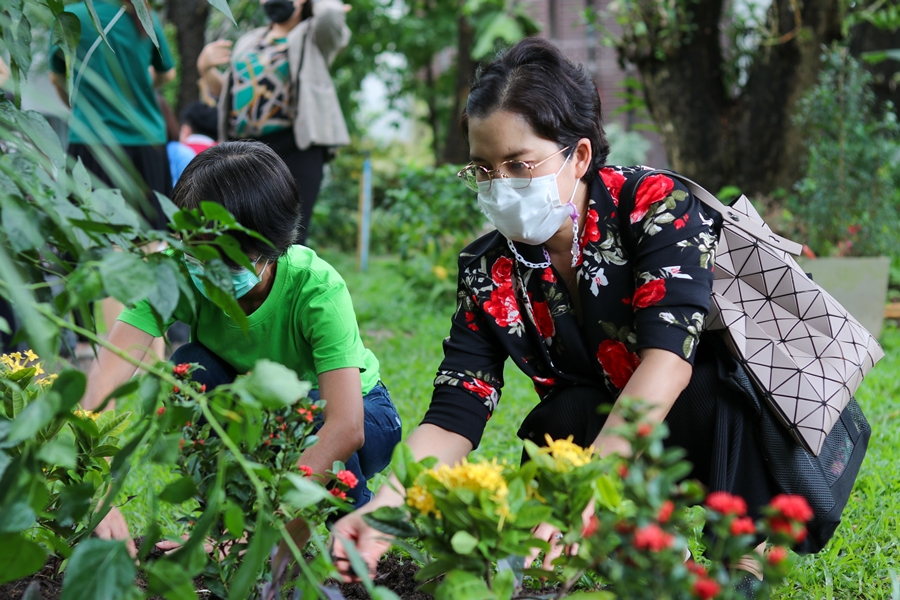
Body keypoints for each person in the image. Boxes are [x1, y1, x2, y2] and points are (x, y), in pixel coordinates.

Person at [332, 37, 780, 588]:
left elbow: (667, 363)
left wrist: (593, 483)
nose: (501, 186)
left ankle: (745, 550)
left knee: (720, 392)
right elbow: (454, 412)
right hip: (605, 417)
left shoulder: (652, 205)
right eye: (483, 169)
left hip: (694, 406)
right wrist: (386, 508)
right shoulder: (490, 269)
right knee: (558, 421)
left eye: (519, 164)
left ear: (580, 155)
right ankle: (655, 551)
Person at [82, 140, 402, 552]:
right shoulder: (174, 276)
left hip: (361, 416)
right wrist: (101, 490)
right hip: (263, 418)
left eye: (228, 260)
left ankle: (358, 525)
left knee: (315, 423)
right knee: (190, 366)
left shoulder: (316, 289)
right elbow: (103, 382)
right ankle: (225, 525)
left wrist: (264, 531)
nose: (210, 273)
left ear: (274, 245)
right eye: (197, 253)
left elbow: (345, 426)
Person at [197, 0, 351, 245]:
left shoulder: (315, 36)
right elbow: (232, 93)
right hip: (244, 148)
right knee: (239, 230)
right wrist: (205, 69)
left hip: (295, 147)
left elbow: (331, 13)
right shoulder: (249, 39)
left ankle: (291, 283)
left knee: (289, 234)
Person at [49, 0, 176, 231]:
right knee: (152, 240)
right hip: (147, 144)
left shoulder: (68, 17)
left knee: (90, 238)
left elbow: (56, 77)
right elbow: (167, 74)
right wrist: (139, 91)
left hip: (91, 143)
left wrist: (84, 105)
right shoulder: (145, 17)